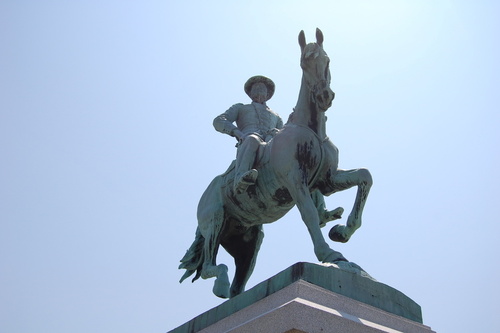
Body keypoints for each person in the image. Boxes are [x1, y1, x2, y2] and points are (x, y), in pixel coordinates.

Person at [213, 75, 283, 193]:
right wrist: (237, 133)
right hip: (248, 141)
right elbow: (219, 120)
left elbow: (284, 134)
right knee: (253, 139)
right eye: (255, 87)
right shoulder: (240, 108)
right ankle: (241, 177)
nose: (258, 89)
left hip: (272, 143)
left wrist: (278, 133)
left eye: (262, 87)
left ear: (268, 94)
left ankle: (318, 206)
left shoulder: (277, 117)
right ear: (250, 93)